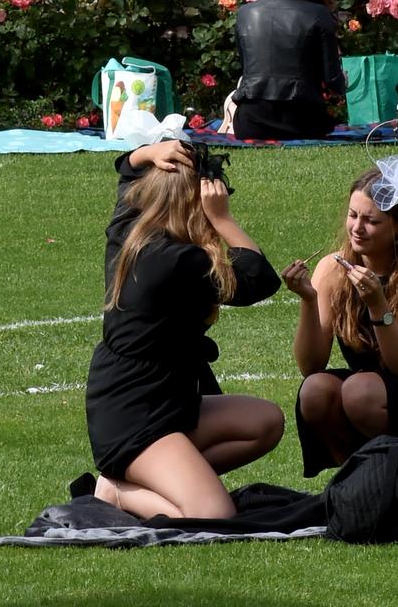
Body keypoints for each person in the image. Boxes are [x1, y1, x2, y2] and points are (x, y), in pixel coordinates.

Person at [85, 140, 284, 519]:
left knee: (265, 422)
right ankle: (117, 492)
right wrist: (223, 219)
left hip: (158, 399)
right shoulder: (179, 262)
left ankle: (172, 479)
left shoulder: (128, 228)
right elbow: (259, 279)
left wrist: (147, 153)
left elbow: (126, 169)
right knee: (212, 515)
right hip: (137, 417)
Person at [280, 155, 398, 477]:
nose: (357, 228)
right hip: (366, 388)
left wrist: (378, 306)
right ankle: (357, 482)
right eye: (353, 215)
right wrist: (308, 301)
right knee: (315, 390)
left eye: (371, 221)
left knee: (359, 390)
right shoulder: (332, 268)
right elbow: (310, 366)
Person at [231, 0, 346, 140]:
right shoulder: (318, 13)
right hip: (302, 121)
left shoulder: (245, 13)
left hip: (251, 122)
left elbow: (247, 68)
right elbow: (333, 81)